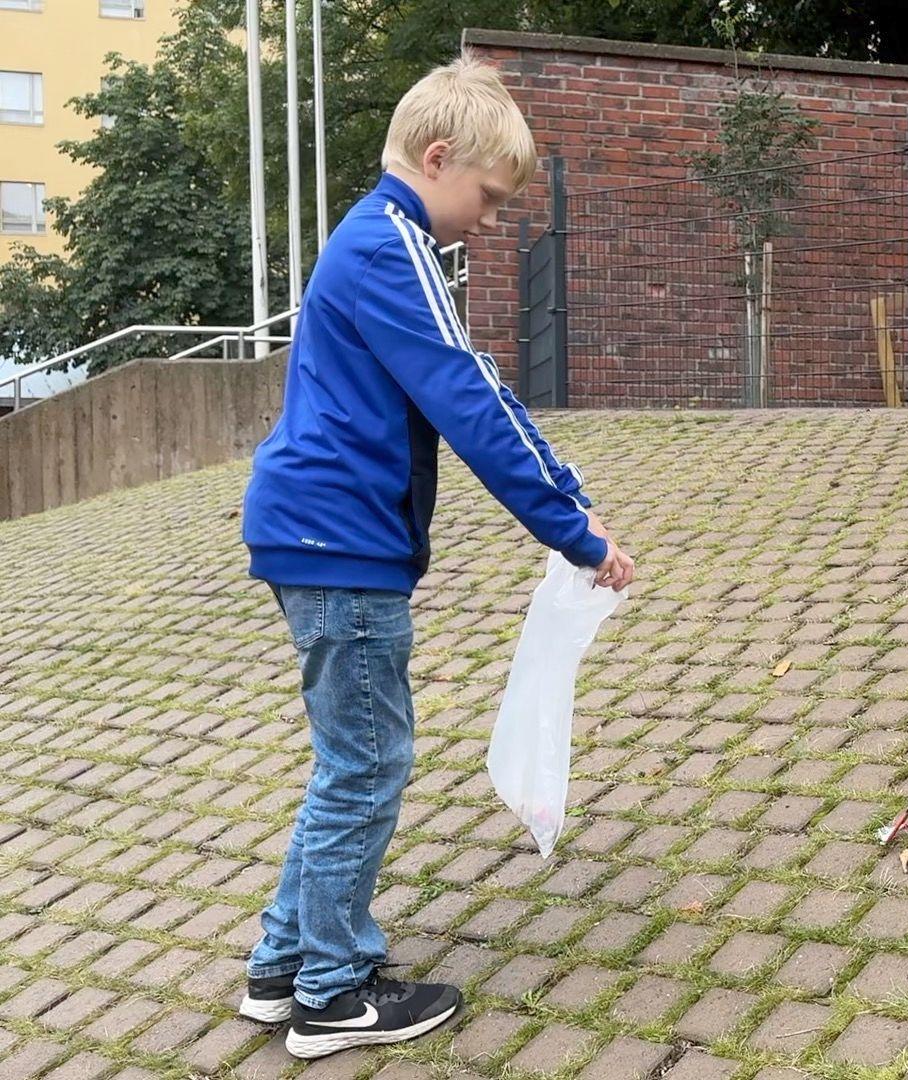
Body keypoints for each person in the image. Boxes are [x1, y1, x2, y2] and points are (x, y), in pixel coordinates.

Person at [236, 55, 635, 1059]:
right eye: (489, 199)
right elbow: (465, 399)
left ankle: (282, 965)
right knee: (367, 767)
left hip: (320, 537)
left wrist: (567, 491)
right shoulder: (390, 245)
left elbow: (477, 384)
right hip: (341, 546)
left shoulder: (379, 243)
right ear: (437, 157)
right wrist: (577, 535)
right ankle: (331, 996)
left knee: (348, 763)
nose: (489, 221)